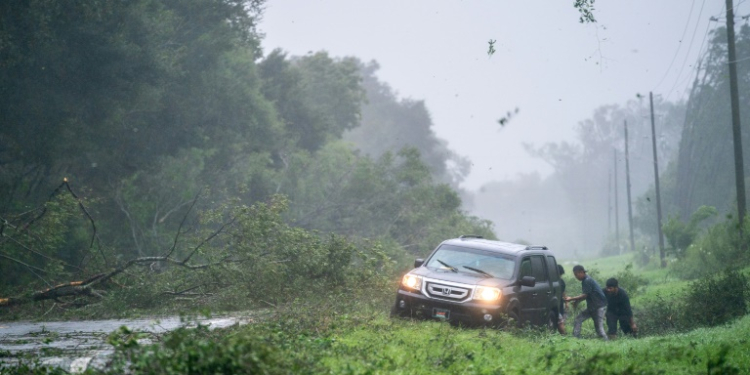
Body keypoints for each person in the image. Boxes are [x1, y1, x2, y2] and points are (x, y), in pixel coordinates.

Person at [564, 265, 608, 340]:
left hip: (598, 307)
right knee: (578, 319)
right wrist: (576, 301)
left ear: (581, 272)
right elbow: (588, 295)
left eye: (576, 274)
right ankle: (575, 339)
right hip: (592, 307)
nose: (576, 277)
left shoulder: (587, 280)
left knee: (599, 329)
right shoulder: (586, 280)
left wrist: (571, 298)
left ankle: (607, 343)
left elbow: (585, 295)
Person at [556, 265, 567, 334]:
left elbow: (563, 293)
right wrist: (566, 302)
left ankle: (564, 334)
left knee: (560, 322)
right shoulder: (561, 282)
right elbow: (563, 293)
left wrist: (566, 302)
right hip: (559, 304)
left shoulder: (556, 282)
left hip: (558, 304)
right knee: (560, 321)